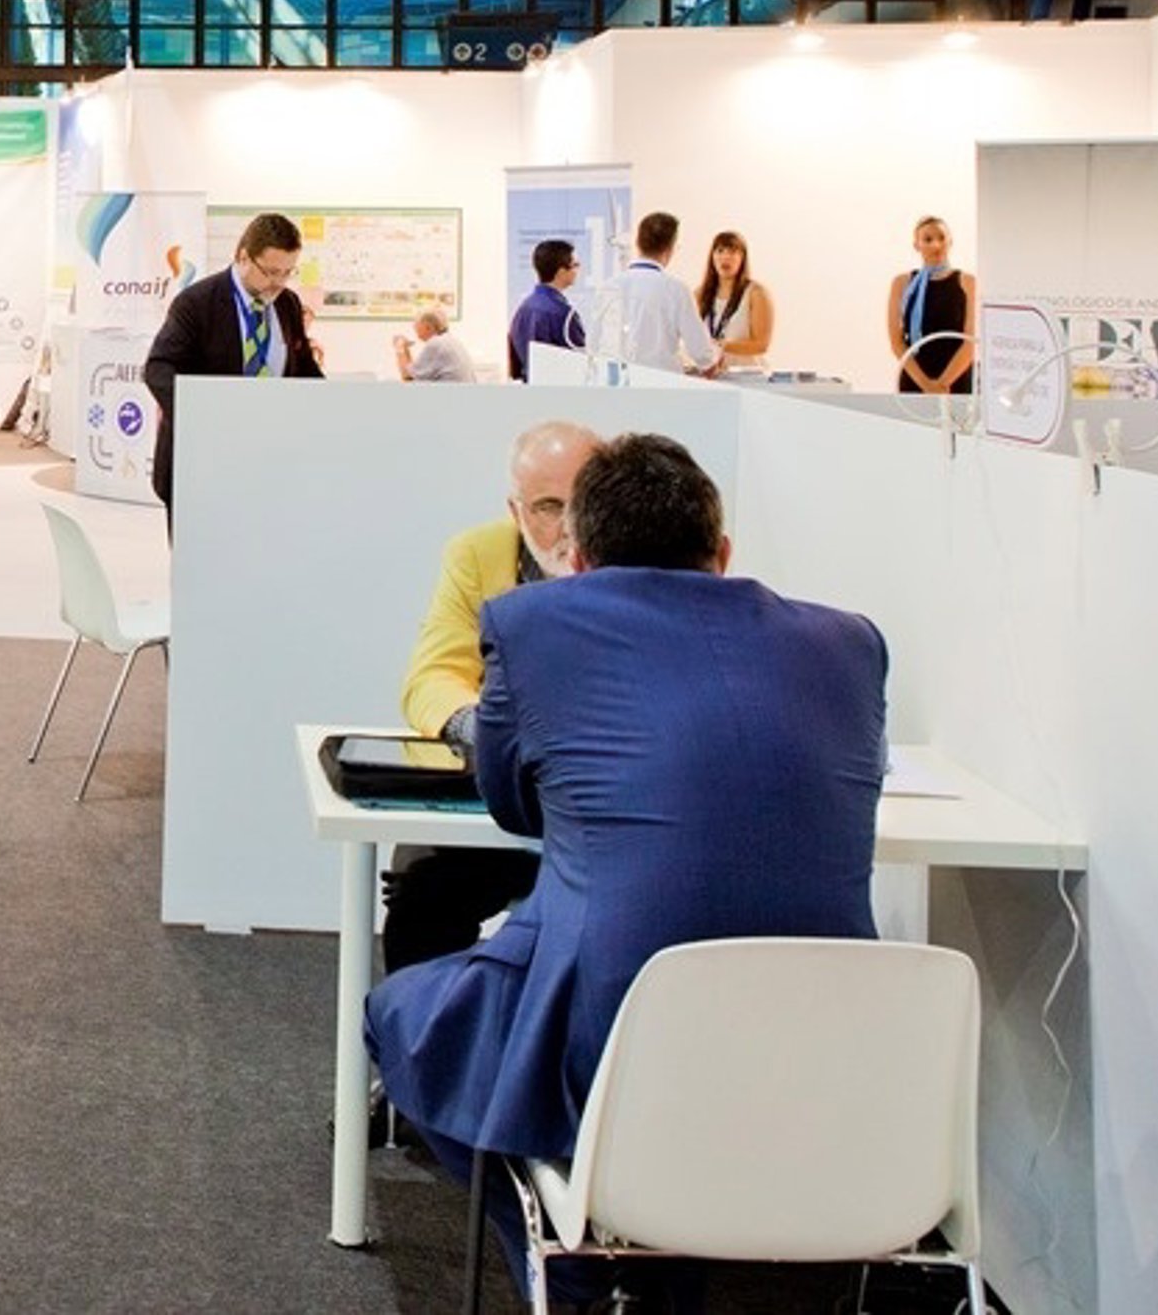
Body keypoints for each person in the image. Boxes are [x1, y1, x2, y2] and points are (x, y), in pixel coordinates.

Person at [366, 433, 888, 1305]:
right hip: (834, 1052)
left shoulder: (531, 625)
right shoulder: (851, 643)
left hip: (615, 1027)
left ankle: (572, 1268)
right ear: (724, 551)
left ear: (577, 556)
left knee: (399, 1016)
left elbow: (512, 805)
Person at [384, 421, 600, 974]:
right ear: (516, 510)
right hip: (504, 794)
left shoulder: (639, 555)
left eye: (583, 502)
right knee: (422, 889)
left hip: (605, 805)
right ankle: (428, 1027)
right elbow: (433, 676)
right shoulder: (478, 555)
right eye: (549, 507)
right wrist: (489, 731)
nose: (569, 526)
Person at [143, 213, 324, 530]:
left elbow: (304, 369)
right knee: (202, 557)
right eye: (270, 272)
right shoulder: (196, 303)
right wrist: (205, 419)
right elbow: (159, 368)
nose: (279, 283)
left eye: (287, 272)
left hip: (267, 462)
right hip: (202, 465)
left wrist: (329, 408)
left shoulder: (288, 304)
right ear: (243, 257)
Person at [609, 211, 721, 374]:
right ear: (671, 247)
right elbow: (700, 351)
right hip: (663, 381)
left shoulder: (610, 286)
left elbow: (598, 343)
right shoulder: (676, 290)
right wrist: (712, 360)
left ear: (638, 243)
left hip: (619, 379)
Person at [889, 214, 978, 394]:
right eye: (928, 239)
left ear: (950, 241)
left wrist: (943, 384)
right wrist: (926, 385)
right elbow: (896, 341)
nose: (936, 245)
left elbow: (971, 340)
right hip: (915, 377)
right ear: (917, 245)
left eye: (941, 238)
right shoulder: (902, 283)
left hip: (956, 378)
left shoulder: (968, 282)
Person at [505, 239, 585, 382]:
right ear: (561, 272)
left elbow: (515, 366)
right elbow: (582, 362)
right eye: (575, 265)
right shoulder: (563, 313)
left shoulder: (523, 308)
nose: (577, 270)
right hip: (558, 389)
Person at [694, 230, 775, 365]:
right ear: (712, 257)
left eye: (732, 252)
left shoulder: (756, 293)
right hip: (710, 373)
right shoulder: (699, 294)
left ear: (742, 258)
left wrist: (721, 346)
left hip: (747, 373)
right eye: (720, 251)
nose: (725, 257)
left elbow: (761, 345)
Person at [393, 306, 477, 384]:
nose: (414, 328)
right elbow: (413, 374)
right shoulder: (449, 340)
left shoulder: (436, 344)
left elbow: (407, 377)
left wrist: (399, 347)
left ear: (428, 327)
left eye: (416, 324)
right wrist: (405, 349)